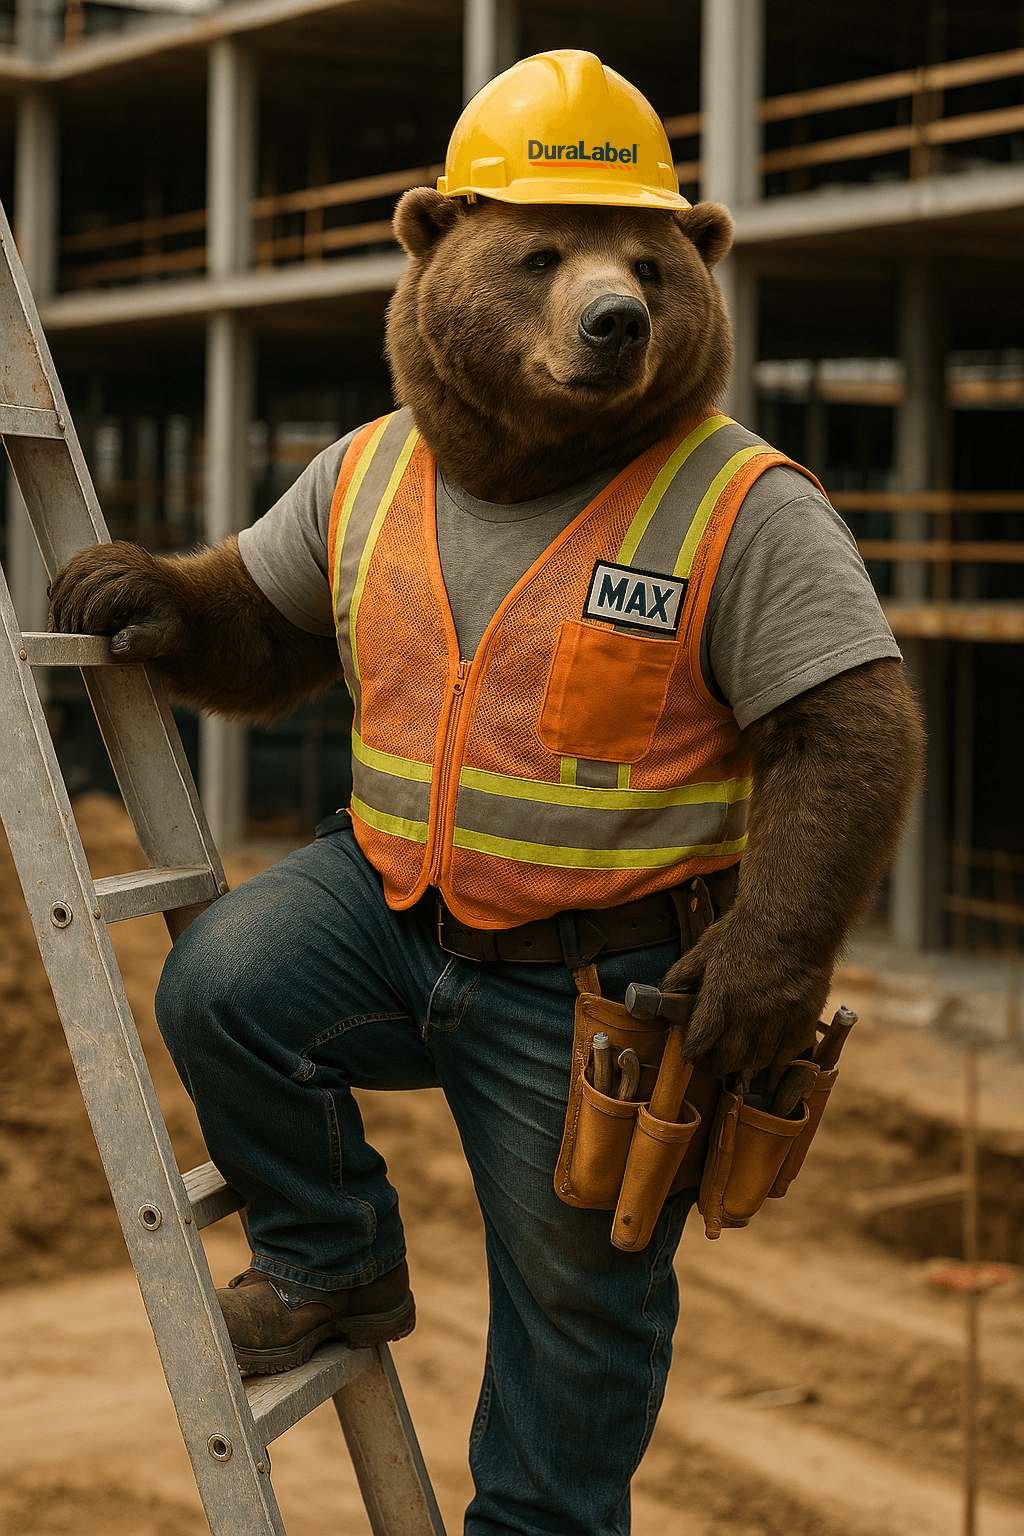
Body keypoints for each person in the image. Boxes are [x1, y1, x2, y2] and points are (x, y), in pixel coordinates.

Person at [51, 51, 923, 1536]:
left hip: (603, 993)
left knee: (573, 1340)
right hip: (387, 910)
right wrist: (171, 608)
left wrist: (781, 947)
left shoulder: (739, 505)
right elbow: (263, 631)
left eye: (646, 264)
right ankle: (333, 1254)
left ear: (697, 264)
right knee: (220, 988)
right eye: (541, 257)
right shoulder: (372, 470)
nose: (609, 297)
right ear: (430, 246)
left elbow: (857, 730)